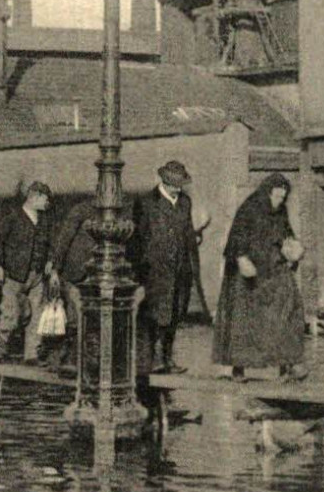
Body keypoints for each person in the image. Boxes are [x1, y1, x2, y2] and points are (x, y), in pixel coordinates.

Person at [212, 173, 308, 382]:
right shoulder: (249, 209)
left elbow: (286, 234)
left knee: (289, 304)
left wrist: (294, 249)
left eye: (283, 198)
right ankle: (238, 369)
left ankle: (288, 364)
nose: (279, 201)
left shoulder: (280, 210)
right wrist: (241, 259)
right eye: (276, 197)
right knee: (243, 317)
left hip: (273, 267)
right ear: (267, 193)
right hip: (250, 269)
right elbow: (236, 239)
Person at [131, 161, 202, 375]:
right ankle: (150, 360)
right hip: (155, 271)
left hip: (180, 269)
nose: (178, 189)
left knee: (175, 314)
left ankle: (167, 358)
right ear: (164, 181)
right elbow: (137, 239)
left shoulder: (185, 203)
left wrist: (193, 248)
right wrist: (139, 272)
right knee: (153, 316)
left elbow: (188, 232)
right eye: (174, 185)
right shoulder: (146, 203)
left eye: (180, 184)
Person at [0, 181, 55, 363]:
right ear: (34, 197)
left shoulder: (44, 221)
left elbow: (49, 244)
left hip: (37, 276)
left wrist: (50, 261)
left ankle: (31, 354)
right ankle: (2, 344)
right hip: (15, 275)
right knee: (12, 313)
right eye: (45, 199)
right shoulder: (12, 218)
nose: (47, 203)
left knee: (38, 314)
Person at [47, 196, 102, 372]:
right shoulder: (80, 210)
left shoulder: (114, 213)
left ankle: (85, 359)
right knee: (74, 318)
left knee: (92, 318)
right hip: (76, 272)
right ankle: (69, 359)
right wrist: (56, 268)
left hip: (97, 275)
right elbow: (64, 239)